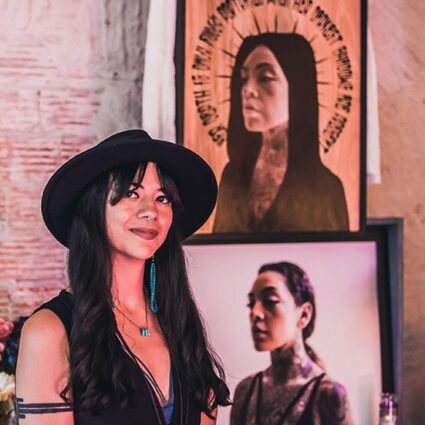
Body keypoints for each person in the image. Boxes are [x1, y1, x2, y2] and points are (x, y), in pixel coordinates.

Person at [15, 129, 230, 424]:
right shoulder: (50, 332)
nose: (150, 211)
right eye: (131, 193)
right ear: (94, 209)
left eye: (163, 198)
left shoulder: (181, 325)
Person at [213, 33, 349, 233]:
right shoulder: (232, 176)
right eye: (243, 79)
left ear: (297, 89)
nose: (248, 89)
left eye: (265, 78)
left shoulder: (327, 189)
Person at [231, 261, 352, 425]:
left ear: (304, 315)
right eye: (251, 303)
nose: (255, 313)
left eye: (270, 301)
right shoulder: (245, 390)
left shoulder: (328, 394)